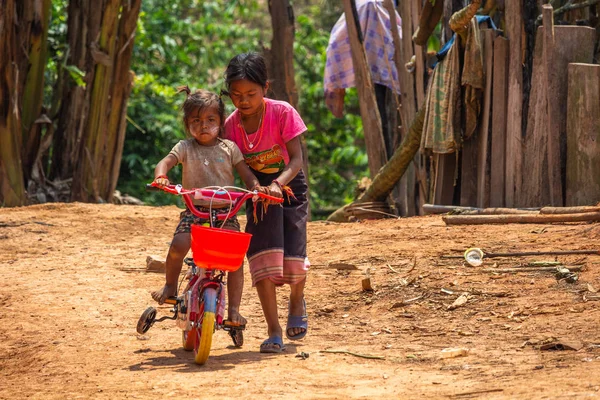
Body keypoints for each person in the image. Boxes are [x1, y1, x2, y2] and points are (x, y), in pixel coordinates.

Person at [151, 86, 264, 334]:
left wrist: (256, 188)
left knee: (234, 262)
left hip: (226, 215)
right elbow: (166, 162)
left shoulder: (229, 148)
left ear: (221, 122)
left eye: (211, 120)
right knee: (178, 245)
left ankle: (233, 310)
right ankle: (170, 286)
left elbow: (246, 174)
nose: (204, 125)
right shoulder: (185, 147)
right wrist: (161, 176)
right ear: (187, 123)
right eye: (196, 120)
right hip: (195, 211)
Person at [223, 52, 310, 353]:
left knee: (294, 257)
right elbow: (240, 163)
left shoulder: (282, 112)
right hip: (258, 192)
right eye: (236, 95)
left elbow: (297, 159)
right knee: (263, 256)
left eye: (251, 94)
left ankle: (297, 299)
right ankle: (273, 330)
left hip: (289, 186)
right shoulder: (230, 126)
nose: (243, 101)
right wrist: (254, 186)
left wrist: (277, 184)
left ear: (265, 88)